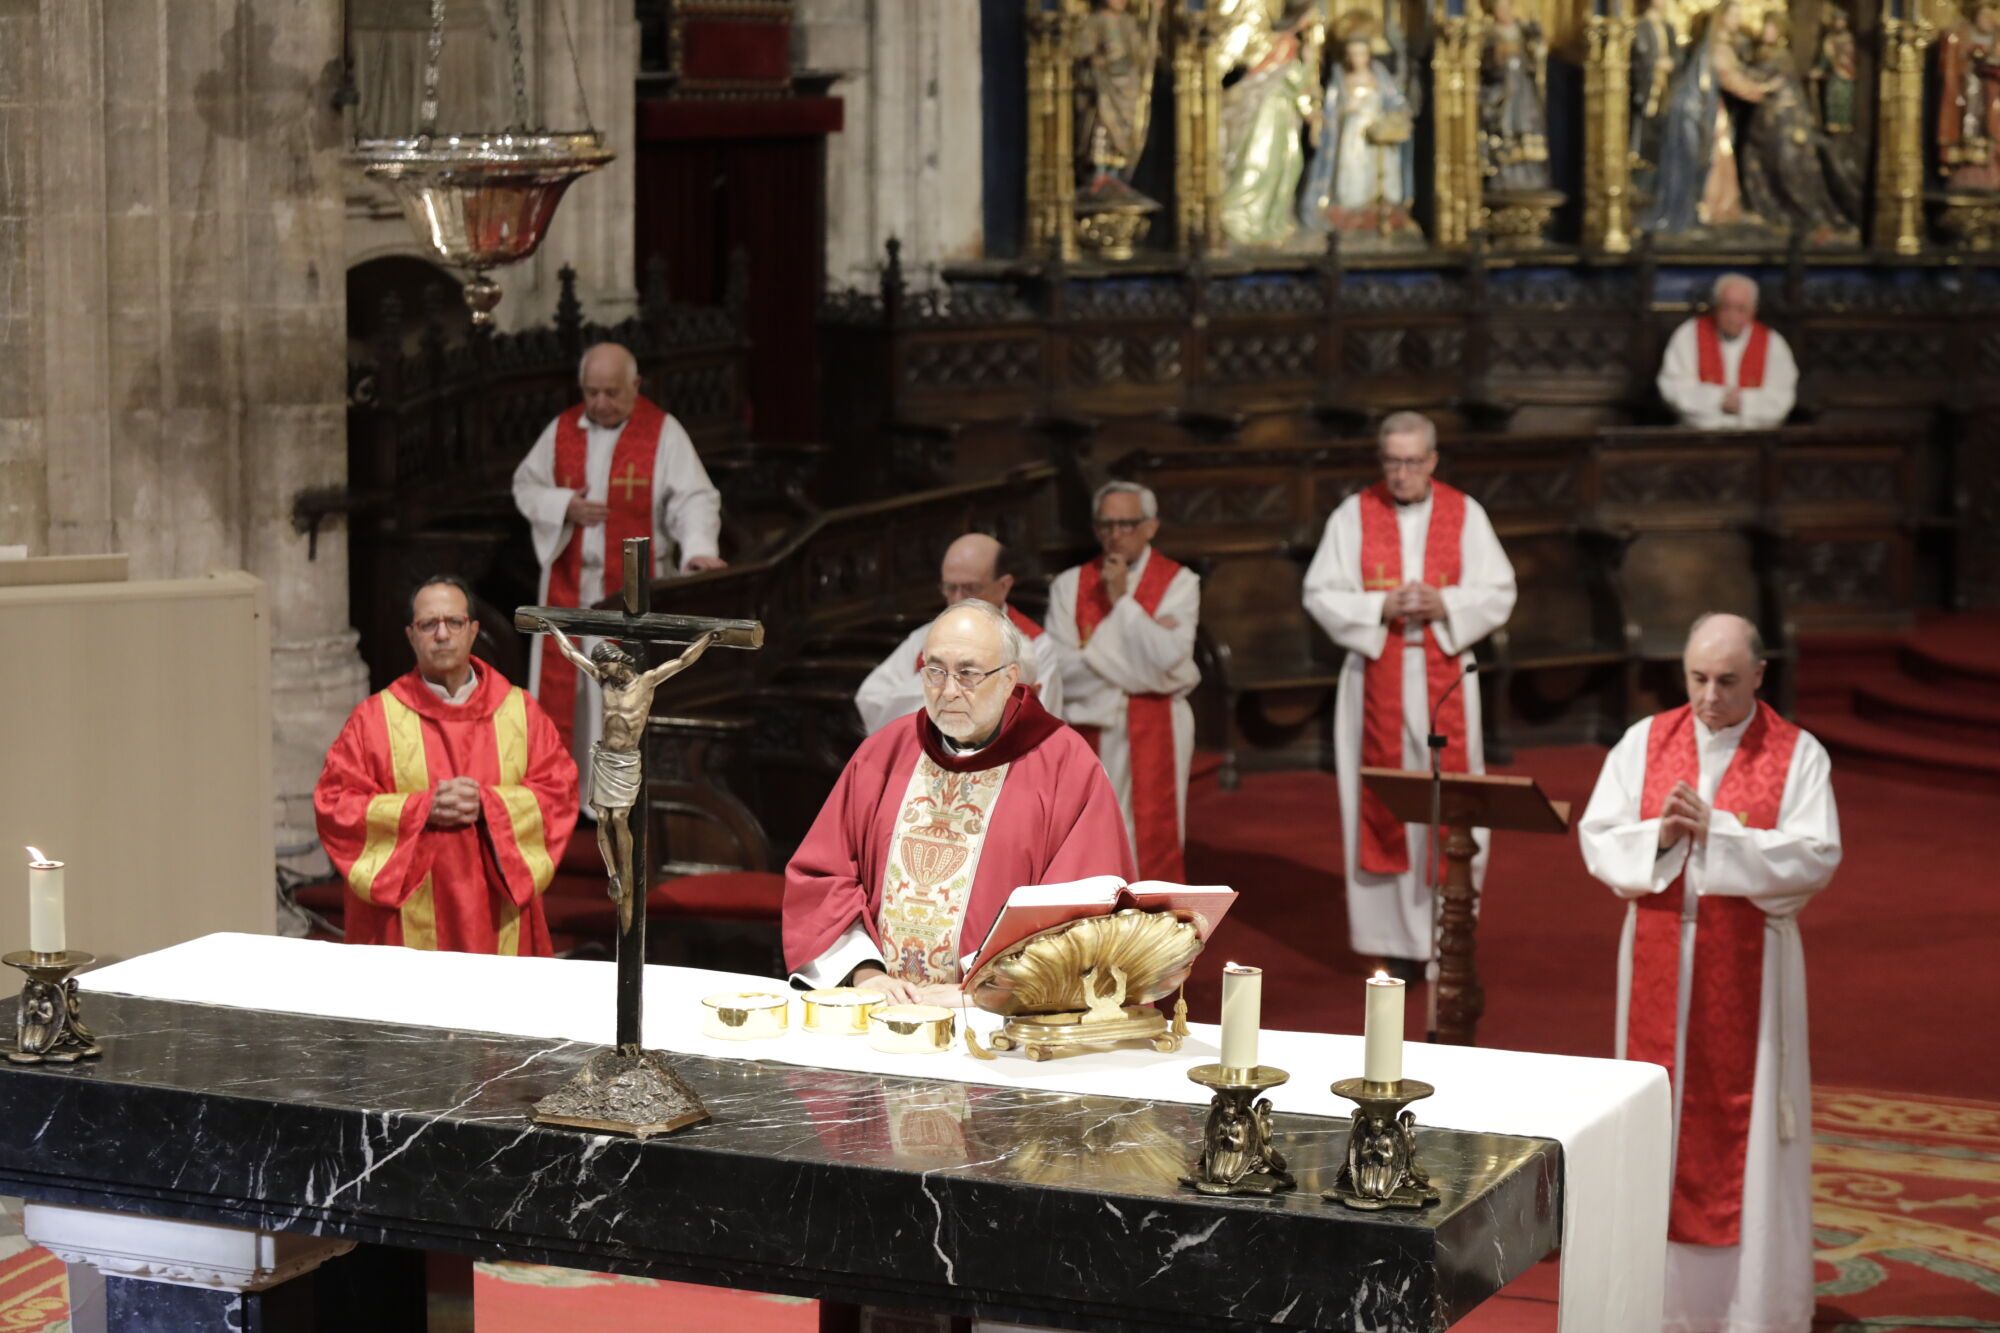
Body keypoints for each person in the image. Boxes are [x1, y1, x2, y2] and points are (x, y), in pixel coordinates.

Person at [1579, 613, 1841, 1333]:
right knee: (1656, 1123)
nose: (1709, 696)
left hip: (1751, 962)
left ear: (1760, 674)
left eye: (1727, 680)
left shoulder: (1798, 753)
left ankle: (1748, 1308)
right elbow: (1598, 838)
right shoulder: (1646, 741)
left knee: (1743, 1129)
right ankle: (1653, 1304)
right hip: (1658, 950)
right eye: (1697, 677)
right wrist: (1659, 835)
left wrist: (1718, 833)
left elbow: (1816, 855)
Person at [784, 600, 1134, 1004]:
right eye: (935, 671)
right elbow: (822, 880)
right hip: (881, 1010)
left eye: (968, 674)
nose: (948, 691)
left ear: (1009, 679)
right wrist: (865, 974)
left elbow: (1084, 915)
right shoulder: (884, 753)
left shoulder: (1065, 767)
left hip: (999, 1026)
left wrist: (982, 993)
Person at [1302, 413, 1516, 971]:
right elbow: (1319, 592)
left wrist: (1446, 605)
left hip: (1445, 673)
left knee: (1449, 800)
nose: (1401, 473)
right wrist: (1380, 607)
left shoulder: (1465, 513)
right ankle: (1395, 946)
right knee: (1385, 803)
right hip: (1376, 676)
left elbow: (1500, 589)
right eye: (1392, 462)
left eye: (1413, 462)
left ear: (1433, 461)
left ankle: (1447, 936)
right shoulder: (1354, 514)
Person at [315, 576, 579, 956]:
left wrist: (488, 805)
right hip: (405, 922)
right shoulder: (374, 719)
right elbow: (336, 805)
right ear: (411, 635)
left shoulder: (520, 712)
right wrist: (422, 809)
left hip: (497, 912)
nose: (442, 634)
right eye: (428, 624)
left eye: (453, 622)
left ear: (473, 631)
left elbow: (559, 793)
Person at [512, 342, 726, 792]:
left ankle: (615, 798)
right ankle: (567, 794)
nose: (599, 404)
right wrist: (564, 504)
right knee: (571, 695)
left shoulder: (663, 433)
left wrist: (698, 548)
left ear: (635, 386)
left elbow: (694, 498)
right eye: (591, 392)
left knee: (622, 699)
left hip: (633, 593)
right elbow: (525, 485)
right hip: (571, 585)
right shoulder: (562, 430)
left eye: (611, 392)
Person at [1046, 481, 1201, 881]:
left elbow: (1171, 657)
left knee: (1156, 831)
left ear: (1151, 527)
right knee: (1091, 830)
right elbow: (1061, 667)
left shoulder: (1181, 583)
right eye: (1106, 525)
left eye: (1127, 525)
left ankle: (1152, 932)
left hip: (1159, 722)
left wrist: (1121, 605)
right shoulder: (1069, 585)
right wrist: (1144, 659)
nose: (1115, 536)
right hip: (1091, 724)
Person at [530, 622, 717, 933]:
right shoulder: (605, 683)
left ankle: (627, 878)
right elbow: (572, 655)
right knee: (602, 819)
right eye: (600, 668)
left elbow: (683, 661)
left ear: (620, 660)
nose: (603, 672)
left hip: (626, 761)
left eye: (606, 666)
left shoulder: (646, 683)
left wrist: (709, 639)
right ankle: (614, 874)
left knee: (619, 819)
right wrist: (552, 630)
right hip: (605, 758)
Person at [854, 534, 1065, 735]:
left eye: (970, 588)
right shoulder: (924, 638)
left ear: (1003, 586)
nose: (957, 599)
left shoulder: (1036, 645)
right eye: (950, 588)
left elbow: (1041, 725)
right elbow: (871, 698)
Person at [1658, 274, 1800, 430]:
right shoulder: (1689, 335)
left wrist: (1743, 403)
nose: (1732, 317)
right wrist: (1719, 399)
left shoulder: (1772, 343)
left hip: (1755, 439)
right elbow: (1673, 387)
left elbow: (1782, 397)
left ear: (1753, 310)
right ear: (1716, 306)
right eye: (1726, 307)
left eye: (1741, 309)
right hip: (1698, 437)